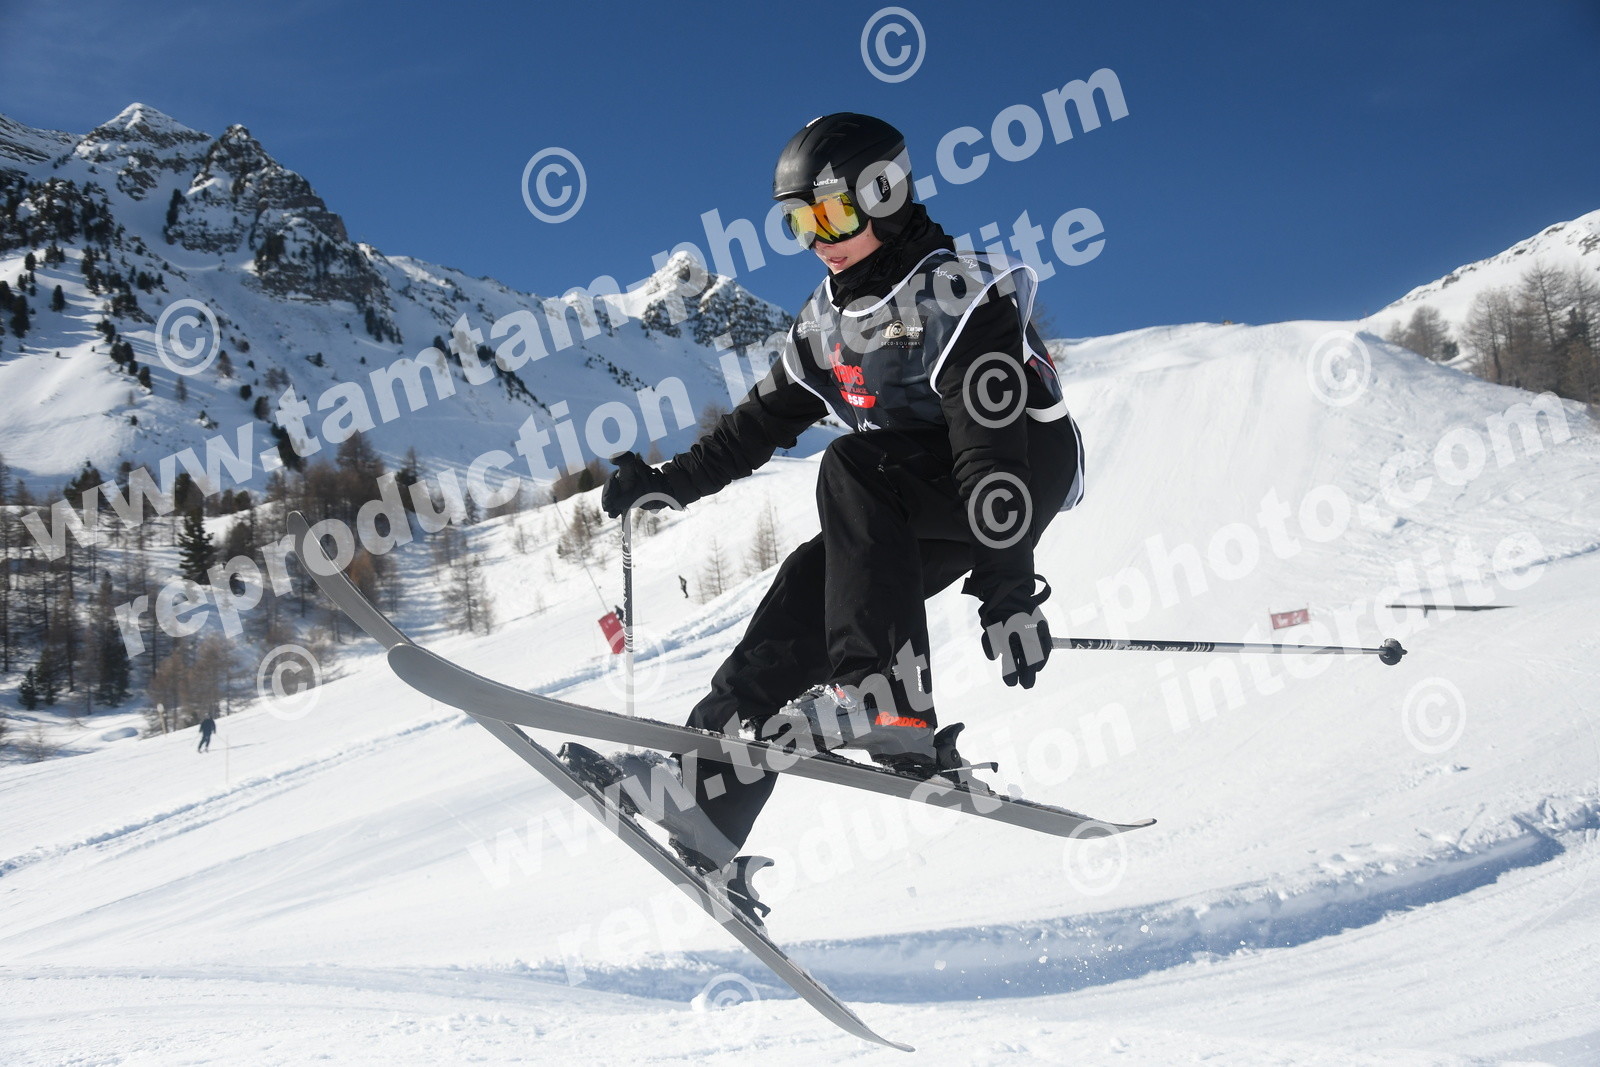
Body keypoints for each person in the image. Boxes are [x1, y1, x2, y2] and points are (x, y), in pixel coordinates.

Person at [566, 113, 1084, 920]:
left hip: (1014, 471)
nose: (818, 239)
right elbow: (753, 428)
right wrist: (665, 485)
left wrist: (1008, 591)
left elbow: (991, 454)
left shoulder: (956, 294)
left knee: (852, 464)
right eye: (798, 222)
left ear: (886, 194)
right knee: (808, 584)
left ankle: (887, 696)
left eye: (834, 214)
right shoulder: (828, 323)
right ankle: (706, 800)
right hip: (910, 488)